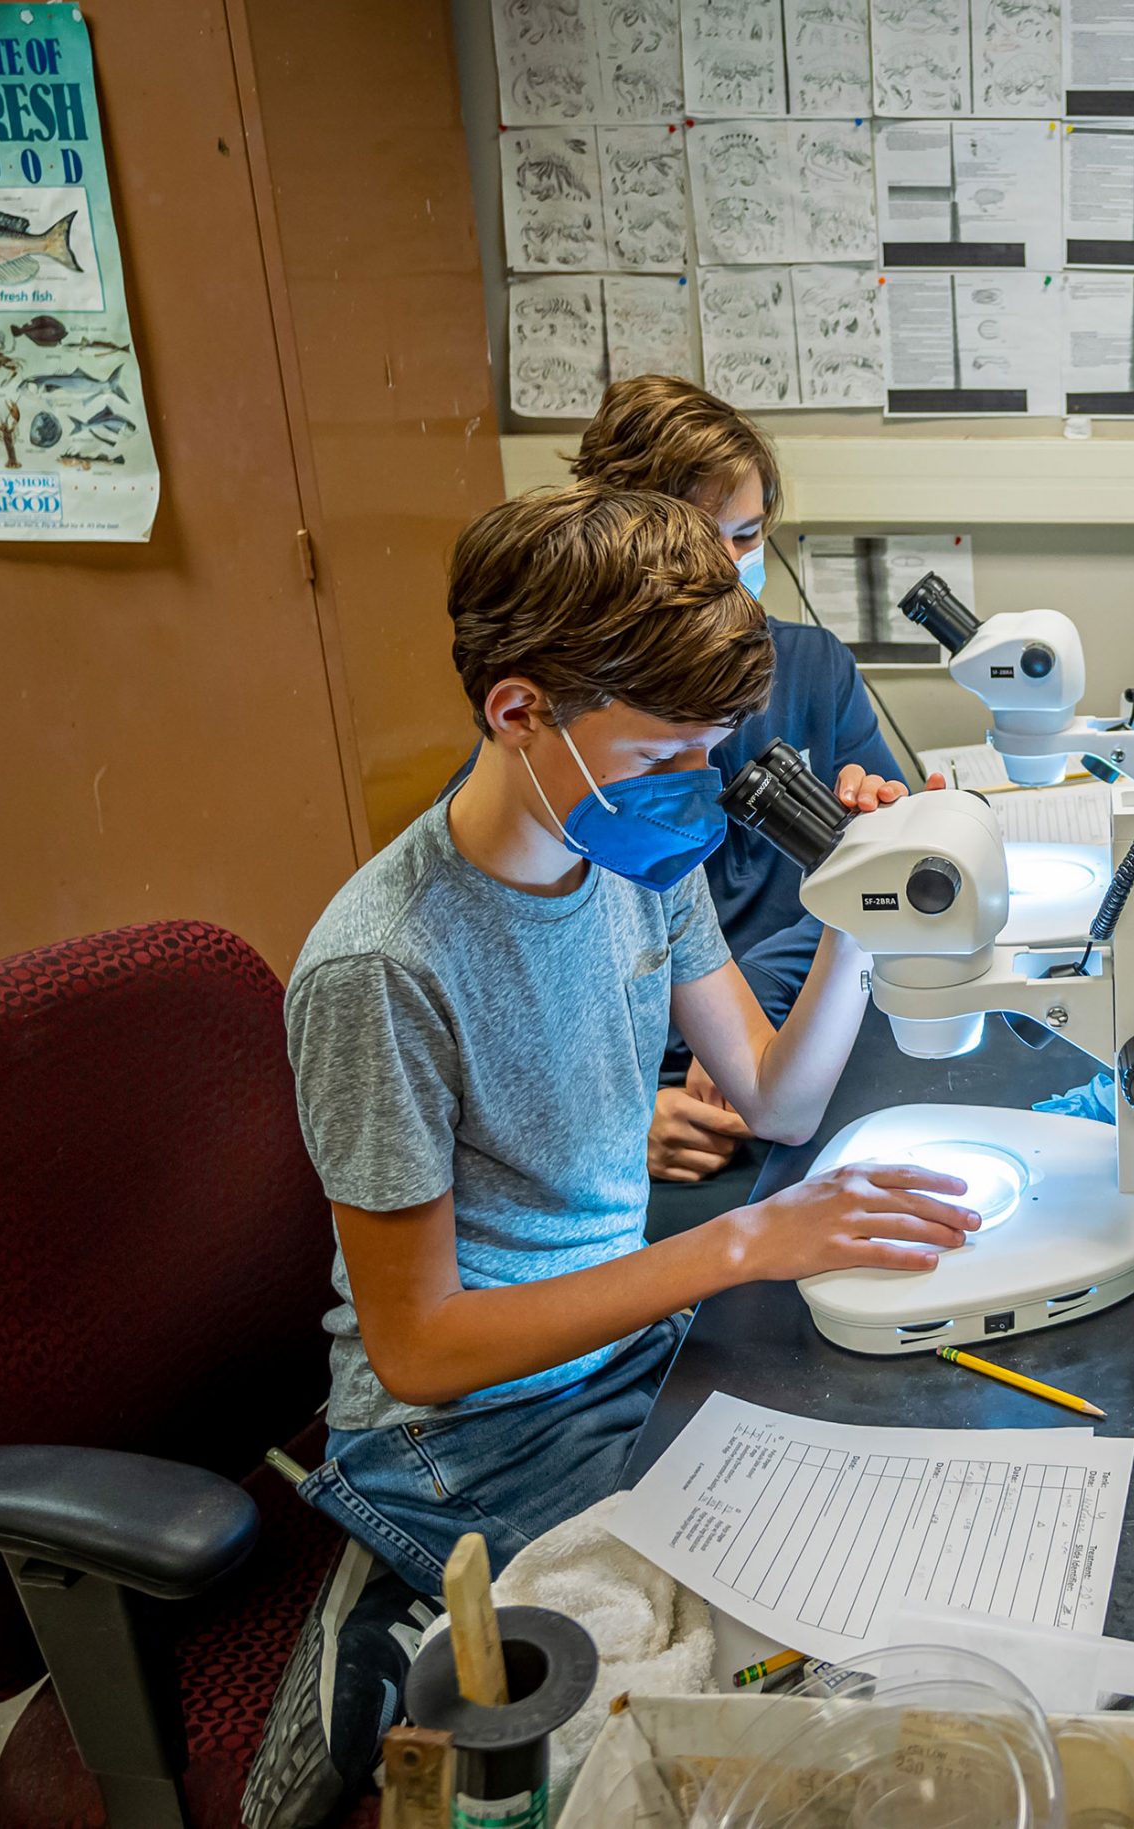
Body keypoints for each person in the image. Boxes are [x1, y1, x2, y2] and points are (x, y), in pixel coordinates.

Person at [287, 484, 973, 1588]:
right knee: (790, 1600)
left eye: (709, 754)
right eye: (660, 759)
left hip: (626, 1336)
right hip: (467, 1429)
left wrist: (860, 907)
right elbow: (417, 1348)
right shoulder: (384, 965)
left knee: (903, 1477)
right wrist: (740, 1244)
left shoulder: (631, 857)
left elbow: (779, 1100)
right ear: (519, 711)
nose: (693, 793)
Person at [449, 375, 935, 1187]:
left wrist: (865, 888)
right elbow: (494, 1099)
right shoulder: (553, 816)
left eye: (747, 538)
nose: (727, 571)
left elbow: (780, 1099)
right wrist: (626, 1115)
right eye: (659, 756)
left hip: (771, 1044)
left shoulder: (801, 676)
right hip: (636, 1106)